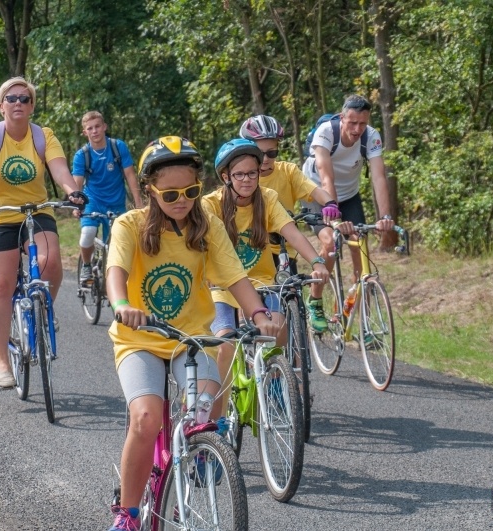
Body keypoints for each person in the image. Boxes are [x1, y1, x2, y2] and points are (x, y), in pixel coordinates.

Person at [105, 136, 279, 531]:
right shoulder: (129, 225)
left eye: (191, 191)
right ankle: (128, 514)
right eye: (170, 194)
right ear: (150, 190)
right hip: (140, 339)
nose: (182, 200)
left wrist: (258, 311)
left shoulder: (208, 224)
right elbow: (115, 272)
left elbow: (235, 276)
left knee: (205, 402)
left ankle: (197, 452)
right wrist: (121, 306)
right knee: (146, 418)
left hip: (190, 338)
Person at [0, 77, 87, 388]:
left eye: (24, 98)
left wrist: (72, 191)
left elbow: (59, 169)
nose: (17, 103)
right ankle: (2, 362)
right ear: (1, 105)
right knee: (1, 286)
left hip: (37, 210)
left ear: (32, 106)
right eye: (11, 98)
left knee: (51, 264)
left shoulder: (43, 136)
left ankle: (43, 309)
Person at [201, 138, 330, 416]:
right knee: (224, 342)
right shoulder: (210, 205)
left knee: (278, 326)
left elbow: (291, 233)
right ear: (225, 177)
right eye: (239, 174)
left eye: (253, 173)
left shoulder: (267, 199)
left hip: (262, 283)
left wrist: (317, 261)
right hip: (223, 288)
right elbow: (197, 245)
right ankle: (218, 417)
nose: (247, 180)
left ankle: (273, 380)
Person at [301, 94, 395, 330]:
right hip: (316, 193)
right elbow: (325, 175)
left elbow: (378, 176)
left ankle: (364, 322)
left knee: (360, 250)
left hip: (349, 196)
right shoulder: (326, 132)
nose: (357, 129)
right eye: (352, 122)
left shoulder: (371, 137)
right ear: (342, 118)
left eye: (362, 124)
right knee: (331, 244)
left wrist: (385, 216)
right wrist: (333, 213)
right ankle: (315, 300)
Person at [238, 115, 339, 331]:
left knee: (291, 300)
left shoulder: (288, 171)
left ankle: (296, 360)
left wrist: (329, 202)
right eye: (259, 152)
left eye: (272, 153)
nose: (266, 159)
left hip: (284, 250)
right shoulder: (242, 178)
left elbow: (313, 189)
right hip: (252, 251)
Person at [71, 111, 143, 284]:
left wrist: (138, 202)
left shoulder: (118, 147)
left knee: (115, 246)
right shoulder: (82, 155)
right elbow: (77, 184)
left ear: (104, 127)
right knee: (88, 233)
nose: (94, 131)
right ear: (85, 132)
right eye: (90, 128)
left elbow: (130, 175)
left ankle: (112, 279)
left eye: (97, 126)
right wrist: (76, 206)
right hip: (93, 201)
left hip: (117, 202)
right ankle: (86, 266)